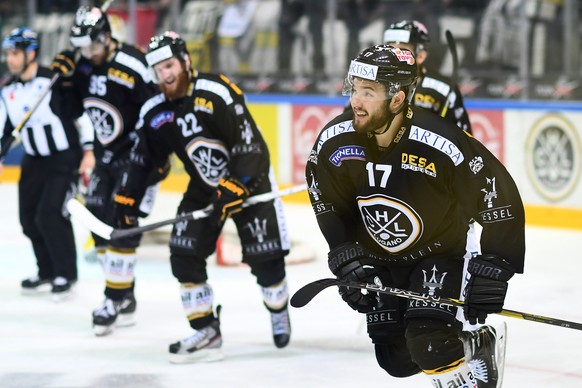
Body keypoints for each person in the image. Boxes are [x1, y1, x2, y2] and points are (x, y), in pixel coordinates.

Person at [305, 44, 525, 387]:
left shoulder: (441, 142)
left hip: (440, 252)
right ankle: (474, 343)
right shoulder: (335, 141)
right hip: (382, 258)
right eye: (354, 89)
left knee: (430, 344)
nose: (356, 101)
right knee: (395, 359)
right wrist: (345, 252)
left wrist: (495, 266)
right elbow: (326, 198)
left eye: (368, 92)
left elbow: (499, 196)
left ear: (397, 98)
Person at [113, 31, 292, 363]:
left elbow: (250, 144)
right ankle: (207, 331)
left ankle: (277, 308)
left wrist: (238, 184)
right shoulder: (155, 110)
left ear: (184, 62)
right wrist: (127, 199)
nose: (165, 75)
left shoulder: (216, 91)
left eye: (169, 65)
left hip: (247, 180)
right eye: (157, 69)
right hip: (204, 187)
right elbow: (144, 160)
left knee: (267, 261)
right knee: (183, 252)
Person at [50, 6, 164, 335]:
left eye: (91, 46)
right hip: (106, 156)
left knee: (123, 221)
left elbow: (158, 111)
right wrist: (64, 83)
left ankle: (113, 298)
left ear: (105, 37)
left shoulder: (133, 64)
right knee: (98, 222)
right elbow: (68, 112)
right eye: (81, 47)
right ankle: (124, 293)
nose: (86, 53)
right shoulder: (83, 65)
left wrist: (154, 161)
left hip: (137, 156)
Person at [0, 27, 95, 301]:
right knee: (28, 219)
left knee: (50, 214)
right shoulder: (9, 90)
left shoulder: (52, 80)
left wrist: (89, 150)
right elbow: (6, 128)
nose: (10, 59)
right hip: (34, 160)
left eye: (15, 53)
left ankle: (66, 273)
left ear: (31, 53)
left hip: (63, 158)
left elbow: (82, 115)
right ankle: (47, 270)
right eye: (8, 53)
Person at [383, 20, 472, 133]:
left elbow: (463, 138)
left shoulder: (444, 90)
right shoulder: (372, 85)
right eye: (389, 49)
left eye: (402, 50)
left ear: (420, 56)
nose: (394, 55)